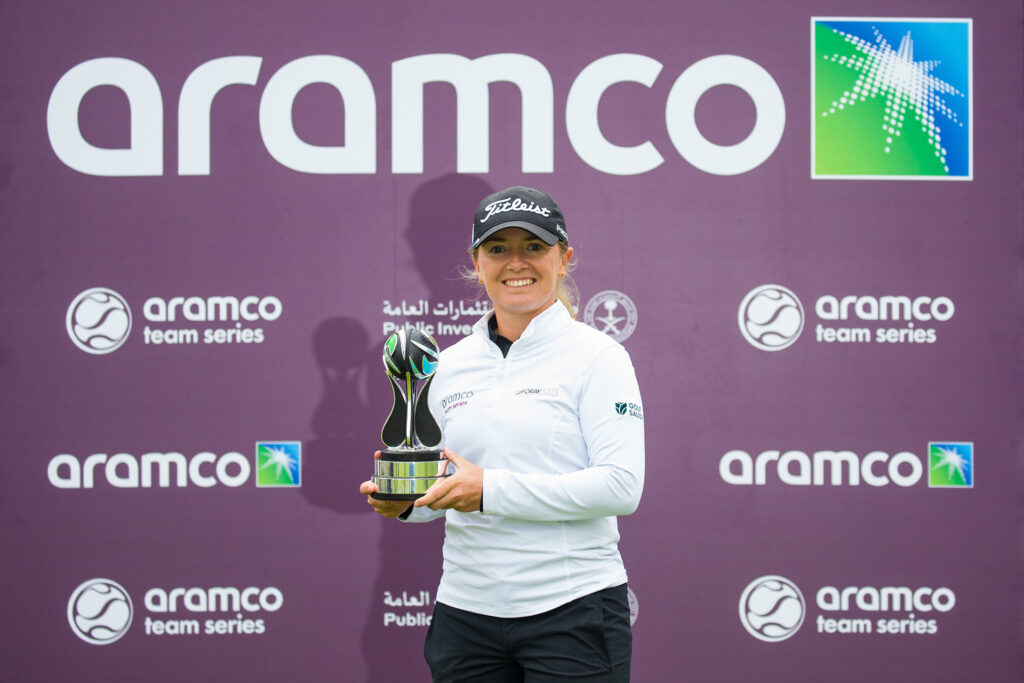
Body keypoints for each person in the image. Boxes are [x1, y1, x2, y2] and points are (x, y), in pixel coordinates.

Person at [360, 186, 645, 682]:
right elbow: (448, 487)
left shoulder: (599, 357)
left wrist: (489, 490)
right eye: (498, 249)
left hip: (573, 609)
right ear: (477, 261)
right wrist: (405, 502)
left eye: (533, 246)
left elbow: (621, 487)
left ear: (564, 258)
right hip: (465, 615)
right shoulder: (446, 365)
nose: (517, 262)